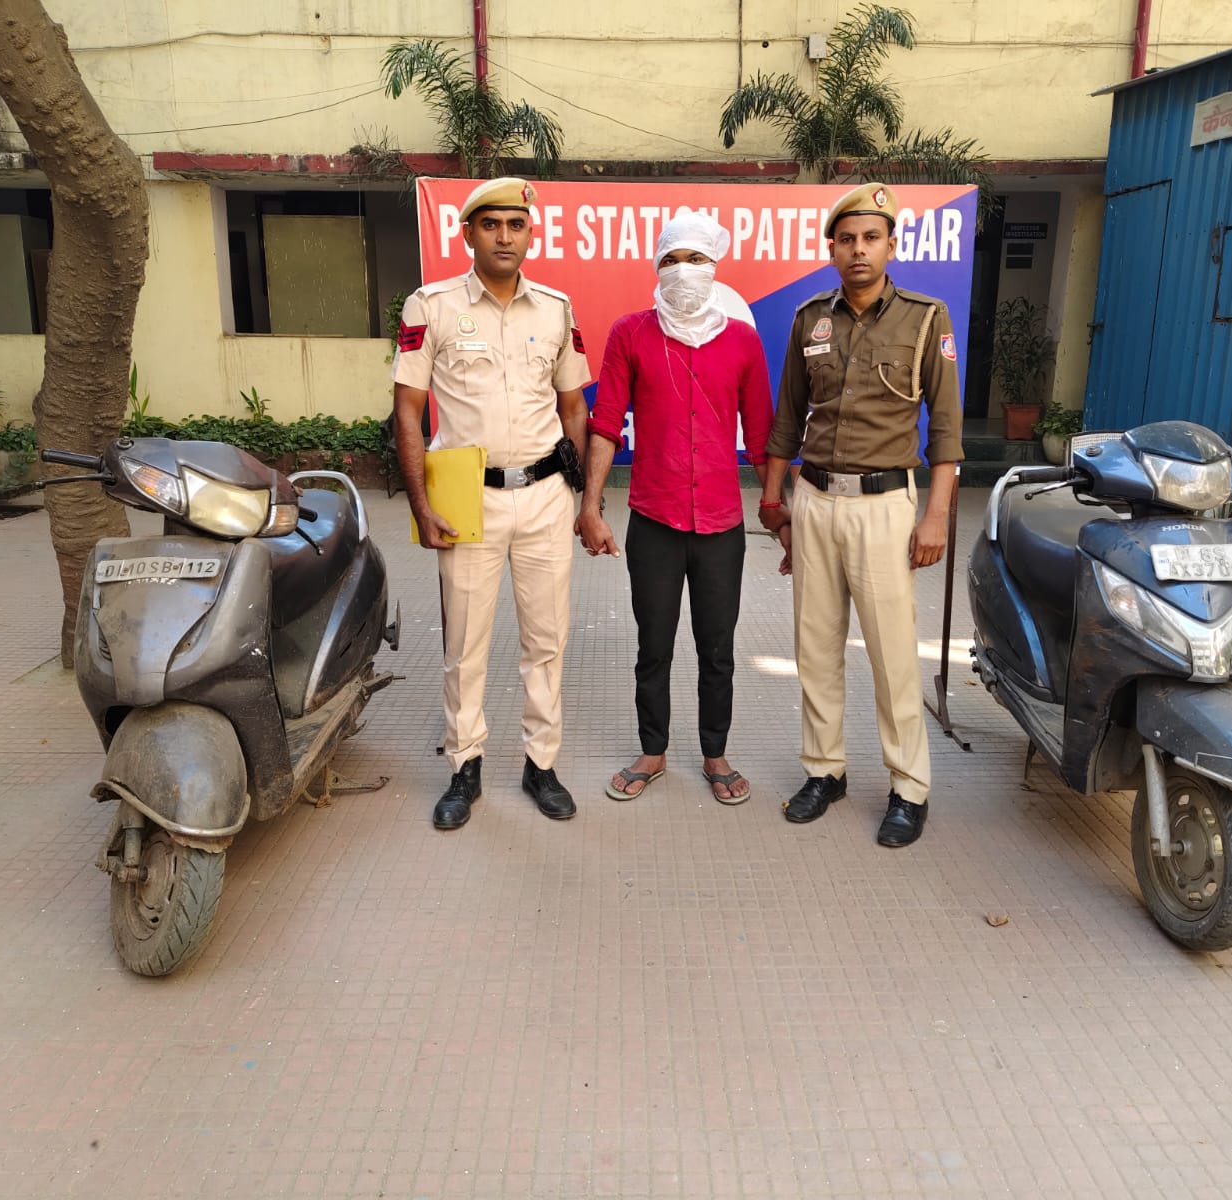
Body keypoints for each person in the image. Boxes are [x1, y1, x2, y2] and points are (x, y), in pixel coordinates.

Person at [756, 182, 964, 848]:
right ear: (832, 249)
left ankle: (908, 787)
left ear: (891, 245)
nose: (858, 250)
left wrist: (936, 517)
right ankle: (824, 771)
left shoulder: (926, 318)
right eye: (846, 239)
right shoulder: (809, 318)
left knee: (892, 655)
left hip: (885, 509)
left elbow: (948, 431)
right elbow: (787, 419)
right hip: (816, 502)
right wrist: (774, 501)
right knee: (815, 649)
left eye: (871, 237)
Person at [391, 177, 592, 830]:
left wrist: (575, 495)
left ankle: (541, 765)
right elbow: (408, 411)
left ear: (530, 233)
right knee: (465, 644)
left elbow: (573, 408)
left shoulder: (557, 310)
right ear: (468, 233)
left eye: (516, 224)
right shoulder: (431, 306)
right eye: (491, 224)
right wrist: (421, 506)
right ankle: (464, 767)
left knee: (547, 642)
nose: (505, 236)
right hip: (465, 500)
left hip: (543, 498)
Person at [579, 212, 774, 804]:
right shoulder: (630, 334)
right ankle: (653, 750)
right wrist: (591, 506)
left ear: (714, 266)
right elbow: (605, 423)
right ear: (656, 268)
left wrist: (780, 509)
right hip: (654, 520)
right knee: (653, 645)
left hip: (721, 524)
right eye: (671, 260)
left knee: (718, 648)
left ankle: (715, 754)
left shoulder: (741, 340)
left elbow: (761, 435)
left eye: (696, 259)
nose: (684, 270)